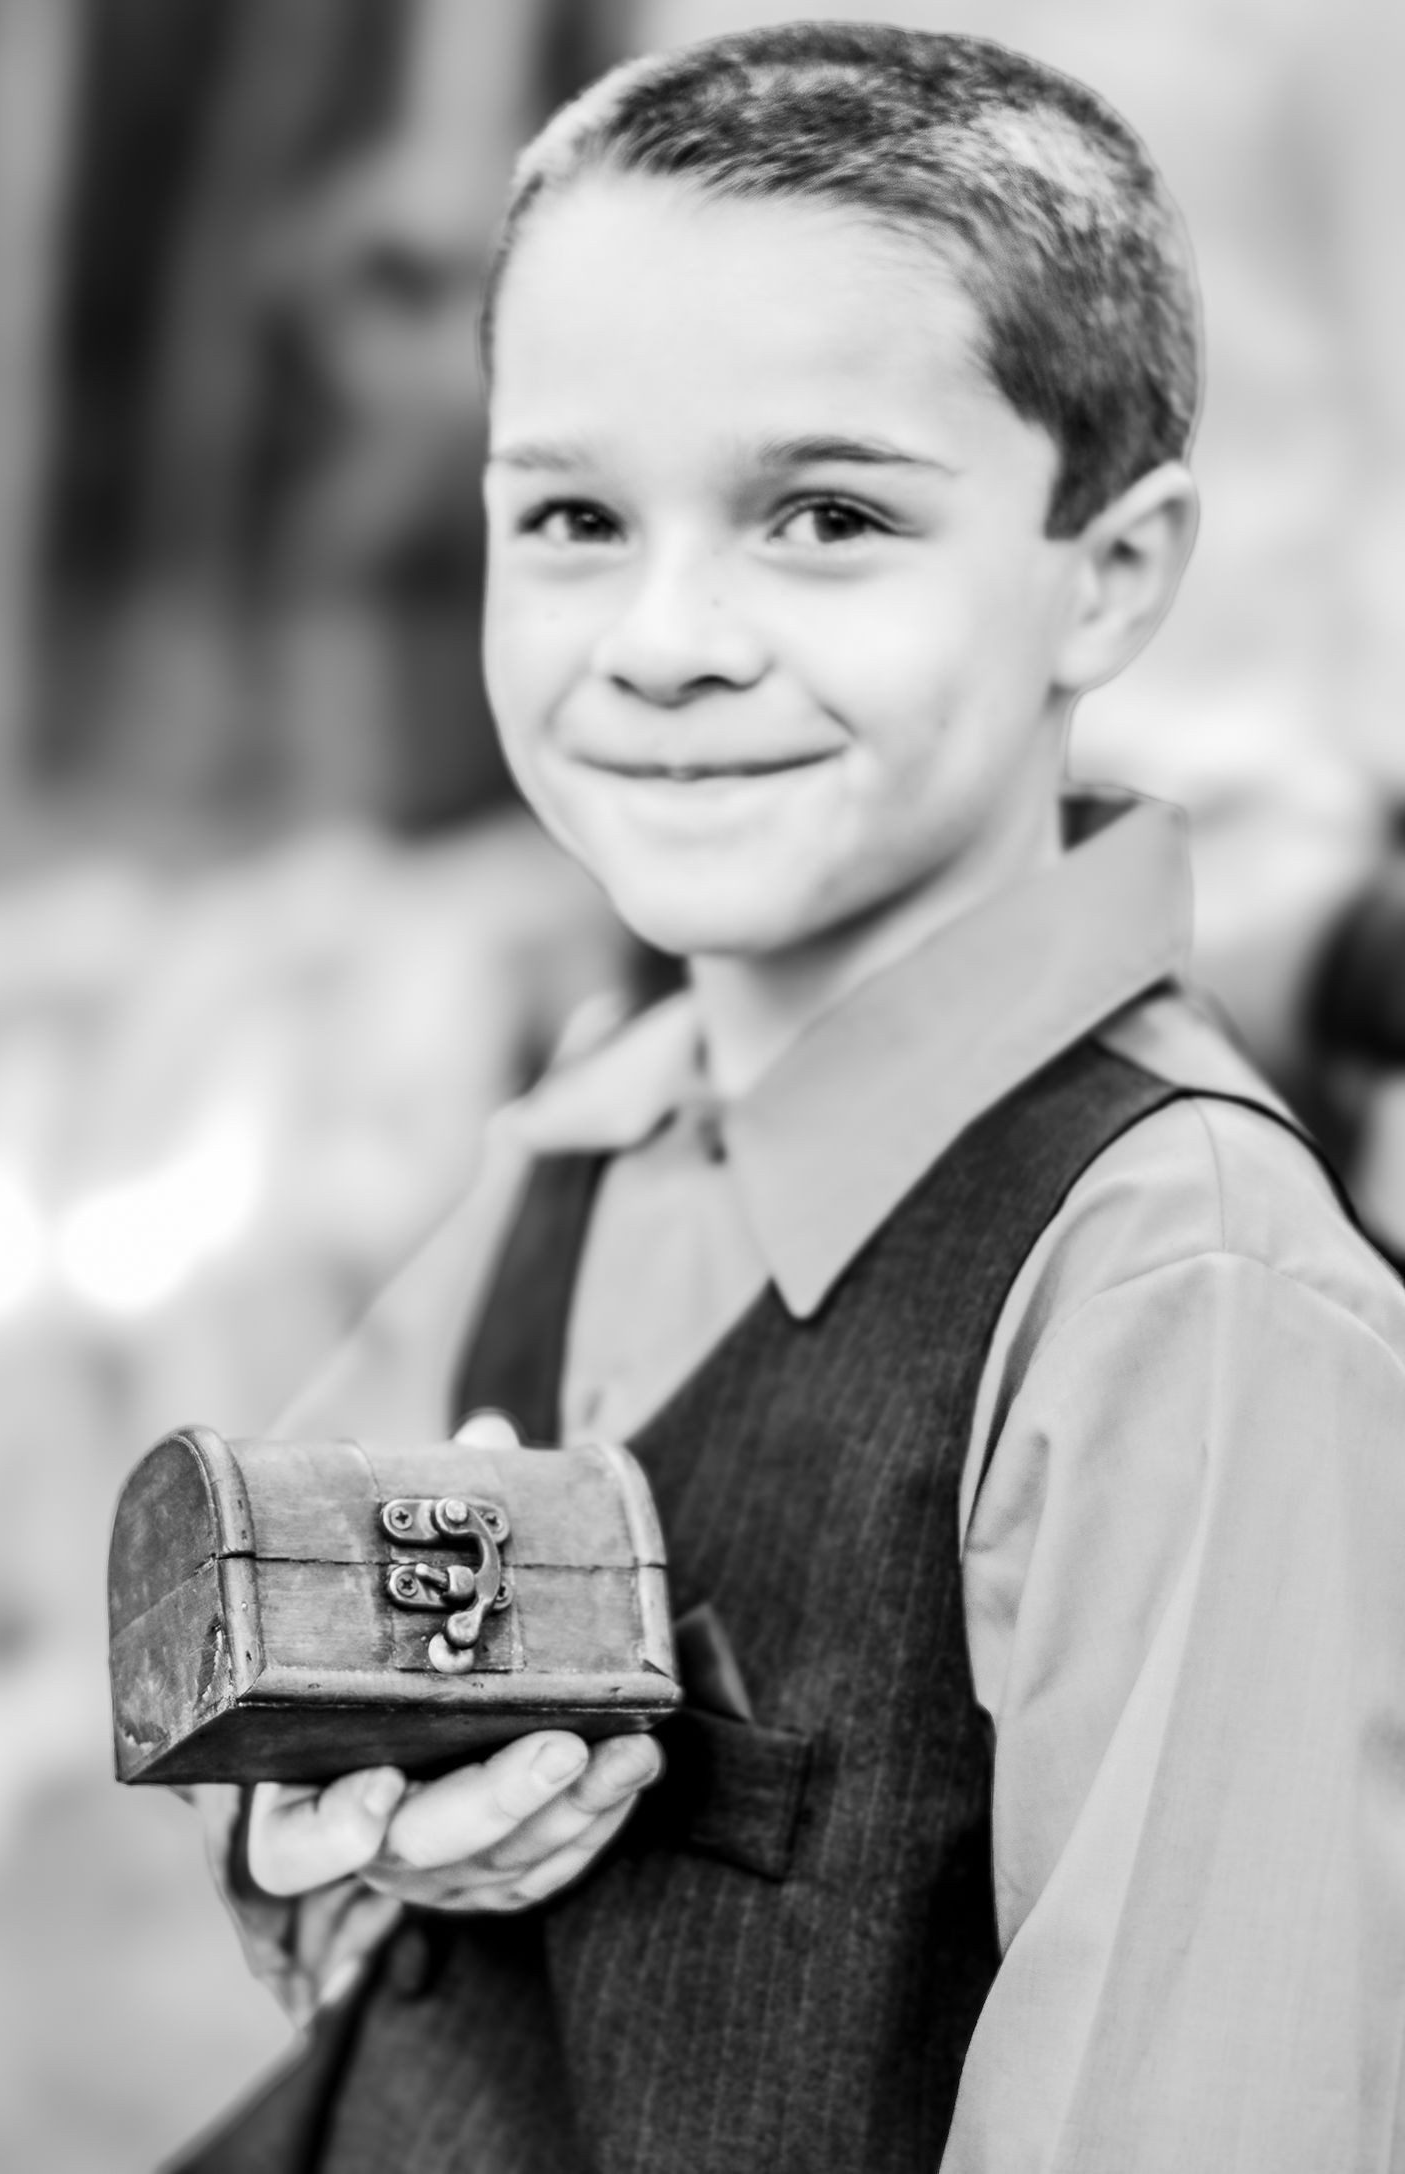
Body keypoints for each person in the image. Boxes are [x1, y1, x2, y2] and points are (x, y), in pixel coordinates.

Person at [175, 24, 1405, 2174]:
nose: (660, 637)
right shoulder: (580, 1118)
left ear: (1109, 572)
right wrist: (340, 1814)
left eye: (825, 515)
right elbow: (269, 1696)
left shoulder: (1181, 1292)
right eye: (569, 513)